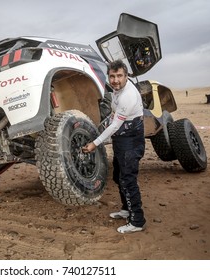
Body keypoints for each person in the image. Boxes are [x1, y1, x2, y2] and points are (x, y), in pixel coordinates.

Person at [82, 59, 146, 234]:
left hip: (131, 140)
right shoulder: (118, 90)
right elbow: (112, 116)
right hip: (121, 139)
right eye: (112, 76)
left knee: (128, 179)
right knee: (119, 176)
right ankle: (126, 210)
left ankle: (137, 221)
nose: (115, 80)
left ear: (126, 76)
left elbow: (115, 126)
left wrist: (95, 143)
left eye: (119, 76)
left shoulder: (128, 96)